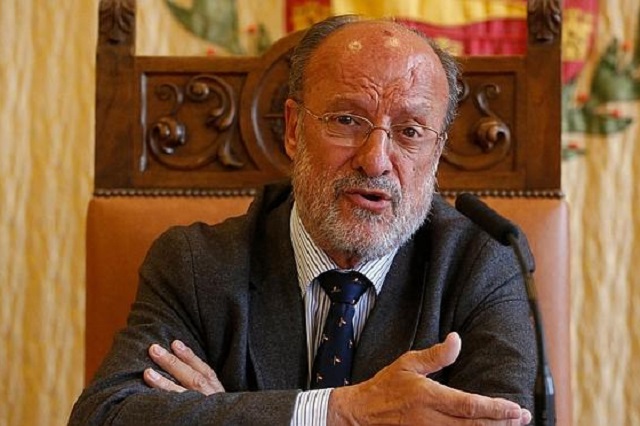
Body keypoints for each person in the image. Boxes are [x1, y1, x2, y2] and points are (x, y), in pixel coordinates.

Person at [70, 14, 536, 425]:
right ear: (294, 129)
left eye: (410, 131)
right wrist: (339, 412)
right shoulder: (196, 266)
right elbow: (108, 416)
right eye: (347, 120)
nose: (375, 160)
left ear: (436, 151)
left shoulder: (485, 266)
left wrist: (229, 412)